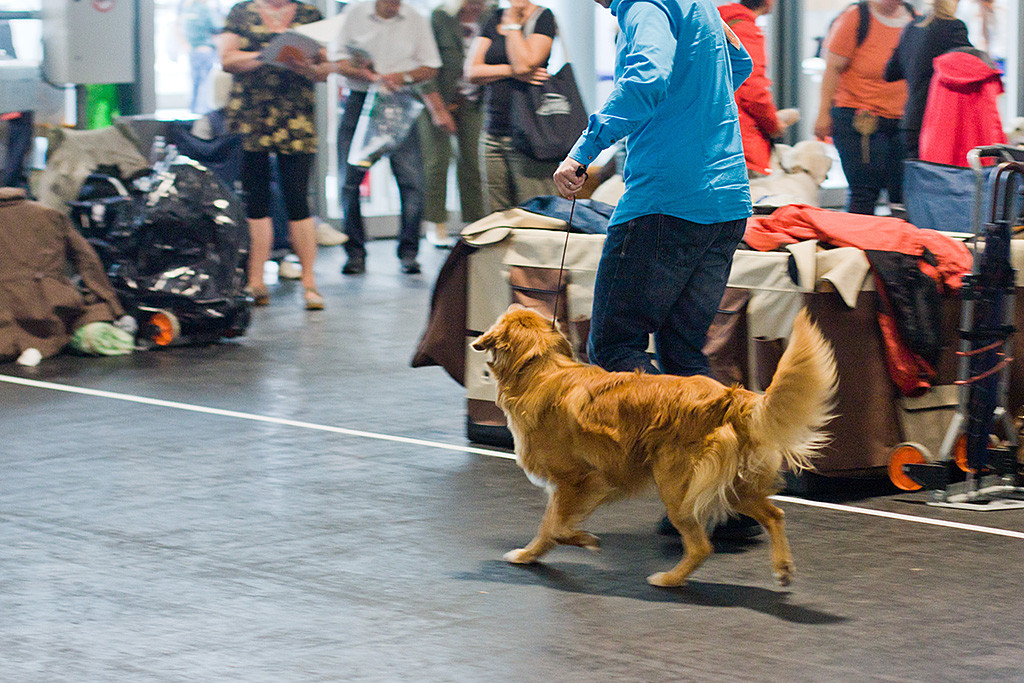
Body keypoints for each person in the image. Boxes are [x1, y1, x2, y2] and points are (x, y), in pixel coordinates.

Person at [553, 0, 759, 539]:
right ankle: (721, 499)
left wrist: (583, 151)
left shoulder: (644, 5)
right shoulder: (697, 5)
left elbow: (646, 79)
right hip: (725, 201)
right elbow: (738, 65)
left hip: (665, 203)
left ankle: (676, 479)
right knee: (683, 352)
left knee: (615, 348)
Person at [219, 0, 330, 309]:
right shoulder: (242, 12)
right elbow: (227, 59)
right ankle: (256, 280)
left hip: (296, 116)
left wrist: (307, 67)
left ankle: (309, 282)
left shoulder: (309, 14)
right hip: (251, 115)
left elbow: (324, 71)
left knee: (298, 197)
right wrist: (266, 56)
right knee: (256, 197)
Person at [332, 0, 443, 276]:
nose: (394, 5)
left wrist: (403, 76)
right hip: (360, 99)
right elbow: (337, 60)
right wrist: (364, 74)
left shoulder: (415, 18)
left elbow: (431, 66)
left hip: (399, 99)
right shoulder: (354, 14)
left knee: (411, 182)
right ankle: (355, 253)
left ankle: (409, 253)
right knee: (349, 181)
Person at [813, 0, 913, 215]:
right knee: (864, 192)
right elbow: (832, 69)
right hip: (858, 120)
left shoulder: (914, 17)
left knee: (902, 197)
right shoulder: (856, 17)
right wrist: (823, 114)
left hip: (901, 121)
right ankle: (856, 237)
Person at [466, 0, 558, 213]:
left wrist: (514, 25)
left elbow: (524, 64)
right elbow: (472, 71)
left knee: (536, 213)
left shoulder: (543, 17)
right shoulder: (495, 17)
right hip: (493, 130)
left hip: (530, 134)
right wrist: (511, 72)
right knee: (497, 216)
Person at [418, 0, 489, 248]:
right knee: (436, 162)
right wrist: (437, 109)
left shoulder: (491, 16)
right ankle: (435, 223)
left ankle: (474, 223)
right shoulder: (439, 18)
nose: (477, 5)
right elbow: (424, 63)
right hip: (438, 99)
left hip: (474, 101)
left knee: (473, 163)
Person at [718, 0, 799, 176]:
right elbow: (752, 89)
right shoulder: (744, 29)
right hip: (739, 139)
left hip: (713, 133)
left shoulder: (718, 23)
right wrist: (773, 124)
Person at [883, 0, 971, 159]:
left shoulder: (911, 26)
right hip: (937, 123)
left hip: (910, 122)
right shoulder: (953, 27)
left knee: (915, 172)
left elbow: (890, 73)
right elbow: (968, 69)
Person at [178, 0, 221, 114]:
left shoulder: (187, 9)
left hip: (193, 51)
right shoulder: (206, 10)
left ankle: (193, 113)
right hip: (205, 50)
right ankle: (203, 116)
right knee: (206, 86)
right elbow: (218, 27)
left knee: (195, 85)